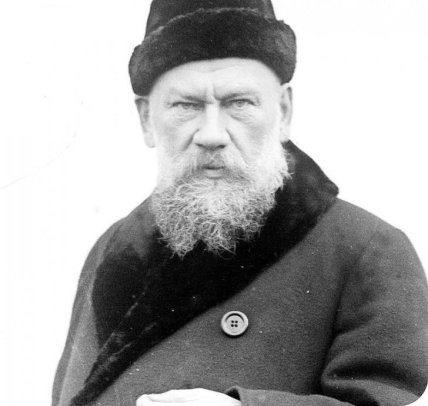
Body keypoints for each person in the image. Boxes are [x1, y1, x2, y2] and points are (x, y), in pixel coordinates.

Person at [52, 0, 428, 405]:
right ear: (146, 119)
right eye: (186, 105)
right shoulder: (112, 249)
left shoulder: (366, 250)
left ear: (283, 112)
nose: (211, 134)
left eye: (239, 103)